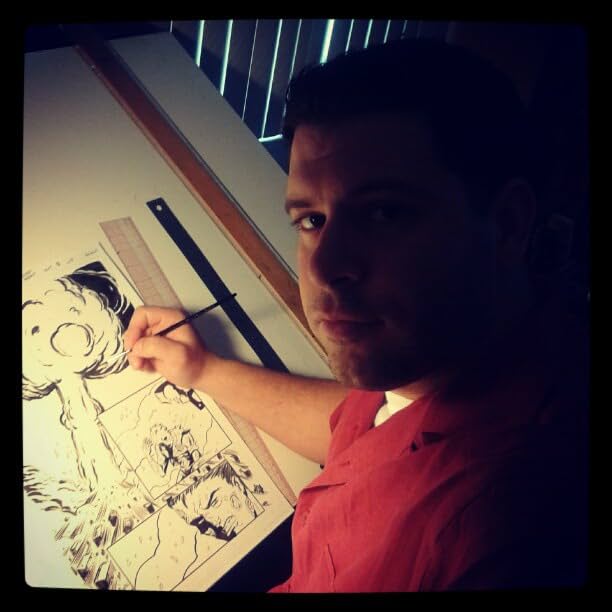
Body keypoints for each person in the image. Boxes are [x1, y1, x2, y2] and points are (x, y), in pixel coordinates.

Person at [123, 38, 589, 591]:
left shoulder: (490, 536)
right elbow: (364, 429)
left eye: (383, 213)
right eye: (312, 220)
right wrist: (203, 370)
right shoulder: (451, 350)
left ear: (508, 224)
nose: (324, 267)